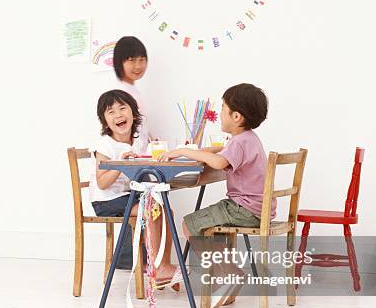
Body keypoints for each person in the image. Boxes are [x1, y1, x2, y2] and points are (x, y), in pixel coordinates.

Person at [158, 83, 275, 237]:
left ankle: (215, 262)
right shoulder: (249, 138)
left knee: (189, 225)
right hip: (259, 210)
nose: (220, 114)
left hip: (244, 209)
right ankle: (223, 260)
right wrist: (198, 151)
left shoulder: (239, 142)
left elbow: (219, 162)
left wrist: (183, 151)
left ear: (236, 116)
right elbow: (222, 150)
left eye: (222, 108)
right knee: (214, 228)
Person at [89, 89, 178, 283]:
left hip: (128, 196)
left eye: (123, 108)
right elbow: (102, 184)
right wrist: (121, 164)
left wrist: (155, 148)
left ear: (134, 113)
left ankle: (163, 264)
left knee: (165, 210)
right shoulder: (105, 145)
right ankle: (157, 267)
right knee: (152, 209)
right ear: (104, 121)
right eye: (111, 112)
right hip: (106, 201)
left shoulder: (137, 141)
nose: (118, 114)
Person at [112, 36, 151, 148]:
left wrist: (153, 141)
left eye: (141, 60)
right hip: (127, 157)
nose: (138, 66)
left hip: (140, 154)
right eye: (132, 60)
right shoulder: (120, 93)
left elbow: (140, 124)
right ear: (119, 62)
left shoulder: (133, 90)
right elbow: (119, 130)